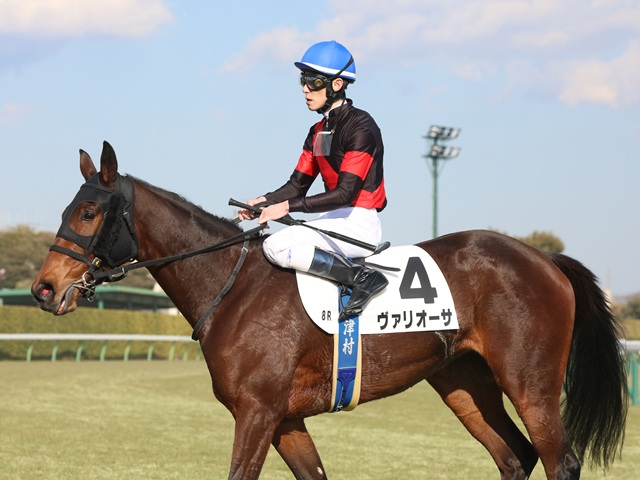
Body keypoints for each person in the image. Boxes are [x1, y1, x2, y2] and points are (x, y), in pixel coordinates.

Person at [239, 40, 388, 320]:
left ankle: (363, 278)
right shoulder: (318, 130)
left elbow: (345, 194)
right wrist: (263, 201)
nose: (305, 88)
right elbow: (297, 185)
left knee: (275, 245)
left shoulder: (362, 127)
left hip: (358, 223)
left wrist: (285, 207)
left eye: (314, 81)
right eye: (303, 80)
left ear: (337, 84)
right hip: (333, 219)